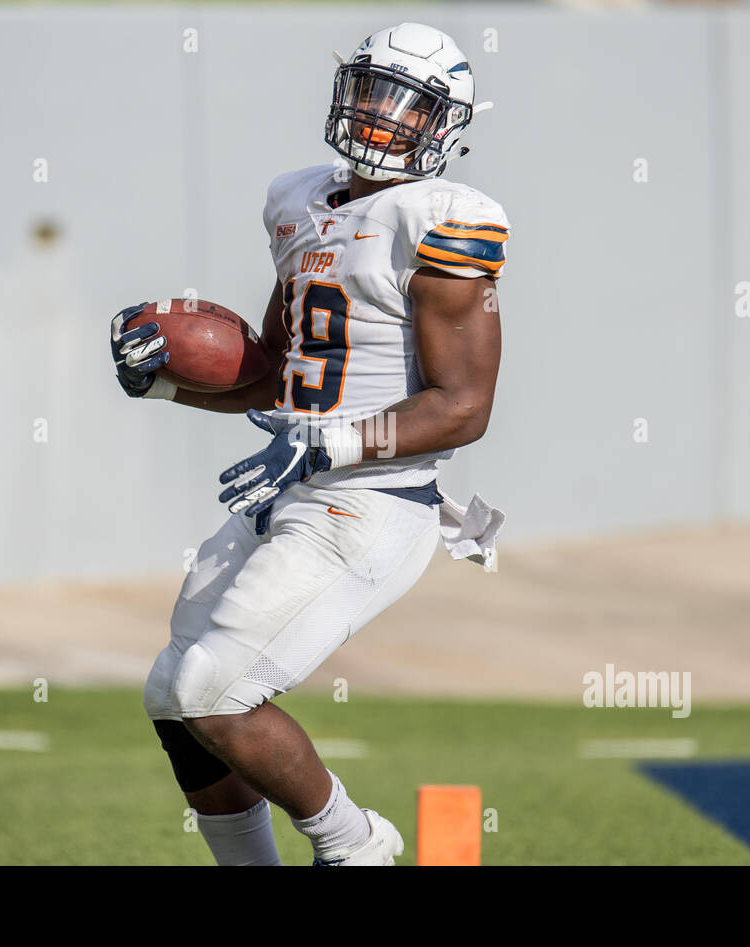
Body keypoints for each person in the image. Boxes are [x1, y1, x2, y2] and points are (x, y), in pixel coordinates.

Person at [111, 22, 509, 865]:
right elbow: (274, 384)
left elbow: (464, 407)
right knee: (171, 694)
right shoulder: (298, 201)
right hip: (289, 486)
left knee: (215, 692)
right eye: (370, 92)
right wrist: (169, 382)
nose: (380, 117)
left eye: (407, 105)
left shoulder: (443, 219)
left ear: (447, 128)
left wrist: (327, 448)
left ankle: (356, 846)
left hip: (372, 503)